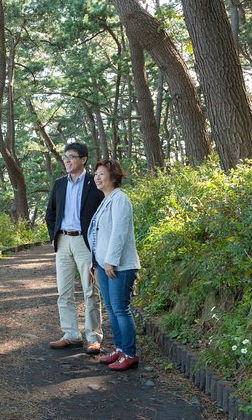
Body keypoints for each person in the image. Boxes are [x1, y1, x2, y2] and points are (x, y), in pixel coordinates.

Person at [45, 142, 104, 354]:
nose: (67, 160)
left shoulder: (93, 182)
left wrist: (98, 241)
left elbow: (103, 214)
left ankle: (93, 337)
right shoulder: (59, 184)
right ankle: (71, 334)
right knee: (64, 292)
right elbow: (50, 214)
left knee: (90, 291)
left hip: (84, 242)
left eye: (71, 156)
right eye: (65, 157)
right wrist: (55, 236)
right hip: (63, 242)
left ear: (83, 159)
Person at [88, 159, 141, 371]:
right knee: (111, 308)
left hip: (120, 266)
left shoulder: (121, 200)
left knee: (121, 309)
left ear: (113, 176)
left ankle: (129, 353)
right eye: (96, 174)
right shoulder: (106, 200)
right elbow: (98, 236)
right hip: (104, 265)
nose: (97, 177)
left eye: (102, 173)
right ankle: (119, 349)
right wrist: (95, 262)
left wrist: (110, 260)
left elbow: (119, 233)